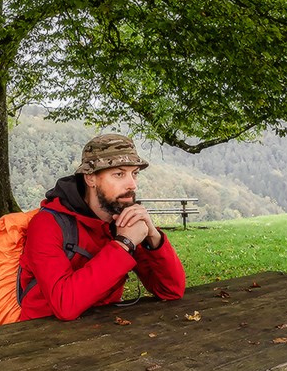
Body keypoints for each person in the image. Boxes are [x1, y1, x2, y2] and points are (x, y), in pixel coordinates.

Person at [18, 133, 186, 321]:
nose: (132, 185)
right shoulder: (47, 225)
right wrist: (123, 244)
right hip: (40, 337)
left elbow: (171, 290)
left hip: (105, 331)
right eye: (119, 174)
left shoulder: (120, 221)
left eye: (135, 173)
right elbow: (64, 305)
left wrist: (153, 237)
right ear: (90, 178)